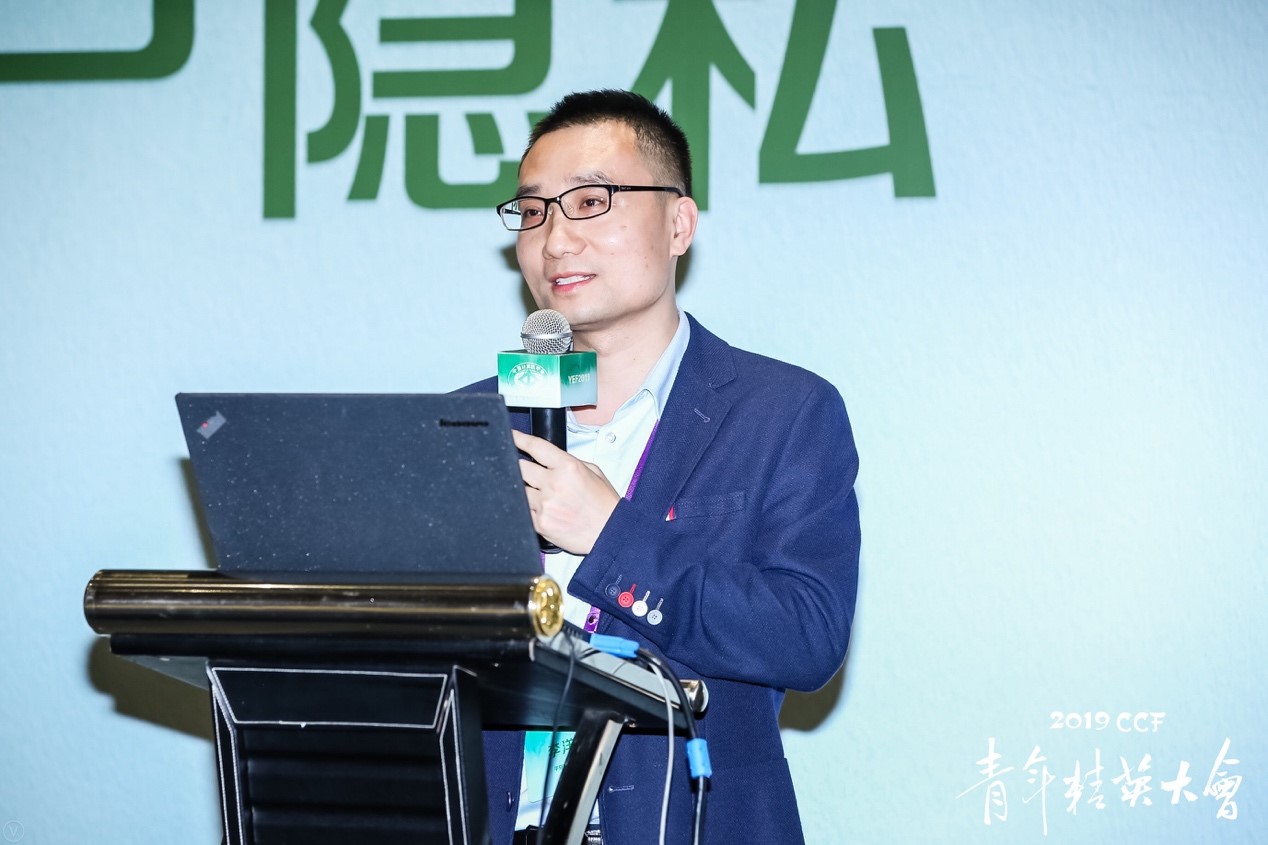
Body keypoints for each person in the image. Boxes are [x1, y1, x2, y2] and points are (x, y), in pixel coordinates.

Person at [469, 89, 860, 845]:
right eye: (534, 211)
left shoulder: (781, 412)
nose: (555, 240)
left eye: (591, 202)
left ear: (679, 224)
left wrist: (610, 534)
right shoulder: (473, 421)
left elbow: (807, 636)